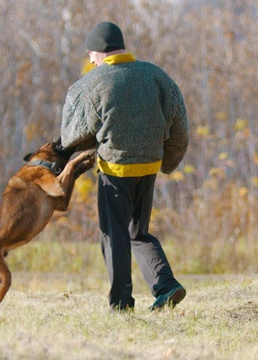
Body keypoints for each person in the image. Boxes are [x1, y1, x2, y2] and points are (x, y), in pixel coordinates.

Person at [60, 21, 190, 311]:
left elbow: (72, 134)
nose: (91, 61)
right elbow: (180, 125)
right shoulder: (156, 75)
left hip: (116, 171)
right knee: (138, 233)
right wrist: (168, 162)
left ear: (99, 52)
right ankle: (166, 285)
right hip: (149, 166)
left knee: (114, 235)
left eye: (90, 55)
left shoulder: (93, 83)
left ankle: (121, 303)